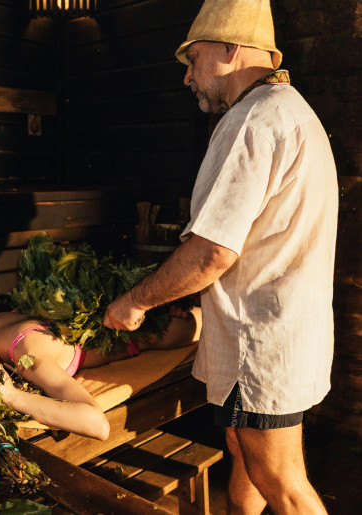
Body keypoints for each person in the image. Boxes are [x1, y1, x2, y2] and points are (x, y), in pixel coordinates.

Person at [103, 1, 337, 514]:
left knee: (284, 484)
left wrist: (136, 302)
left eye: (193, 60)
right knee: (243, 452)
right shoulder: (292, 111)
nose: (187, 77)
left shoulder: (250, 120)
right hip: (282, 331)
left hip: (264, 340)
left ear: (230, 49)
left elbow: (211, 252)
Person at [0, 306, 198, 441]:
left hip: (153, 331)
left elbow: (97, 424)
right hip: (128, 314)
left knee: (218, 323)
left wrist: (13, 395)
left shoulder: (29, 355)